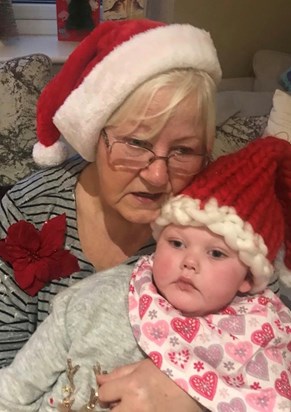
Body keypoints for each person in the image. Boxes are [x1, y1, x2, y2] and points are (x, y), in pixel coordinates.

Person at [0, 17, 222, 412]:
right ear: (95, 132)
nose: (157, 176)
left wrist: (191, 396)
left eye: (184, 151)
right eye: (135, 143)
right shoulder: (27, 212)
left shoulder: (218, 223)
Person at [0, 136, 290, 412]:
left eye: (216, 253)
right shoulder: (98, 298)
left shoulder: (262, 337)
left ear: (248, 279)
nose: (189, 262)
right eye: (176, 243)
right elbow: (13, 390)